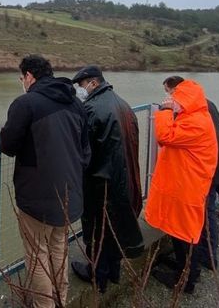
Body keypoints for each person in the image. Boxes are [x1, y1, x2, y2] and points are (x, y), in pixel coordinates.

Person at [0, 55, 91, 307]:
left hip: (37, 200)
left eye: (22, 77)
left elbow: (7, 145)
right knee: (59, 247)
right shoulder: (75, 102)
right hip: (69, 194)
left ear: (29, 76)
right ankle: (60, 298)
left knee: (37, 255)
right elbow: (85, 153)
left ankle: (44, 305)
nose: (22, 82)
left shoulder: (26, 103)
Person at [69, 65, 144, 293]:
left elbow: (84, 151)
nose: (81, 91)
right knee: (118, 226)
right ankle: (114, 272)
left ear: (92, 83)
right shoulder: (123, 105)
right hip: (125, 178)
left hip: (101, 181)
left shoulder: (91, 109)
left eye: (81, 86)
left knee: (98, 229)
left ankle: (97, 276)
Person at [146, 79, 218, 294]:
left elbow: (165, 136)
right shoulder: (195, 117)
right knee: (182, 231)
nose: (172, 102)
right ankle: (184, 269)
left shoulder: (195, 122)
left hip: (188, 187)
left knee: (185, 234)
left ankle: (185, 280)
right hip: (187, 184)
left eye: (175, 99)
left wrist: (165, 111)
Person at [163, 76, 219, 270]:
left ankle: (202, 259)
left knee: (203, 213)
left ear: (176, 90)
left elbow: (169, 137)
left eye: (168, 92)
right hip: (215, 165)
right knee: (206, 212)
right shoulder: (206, 103)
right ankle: (205, 257)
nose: (168, 97)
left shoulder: (187, 109)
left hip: (205, 170)